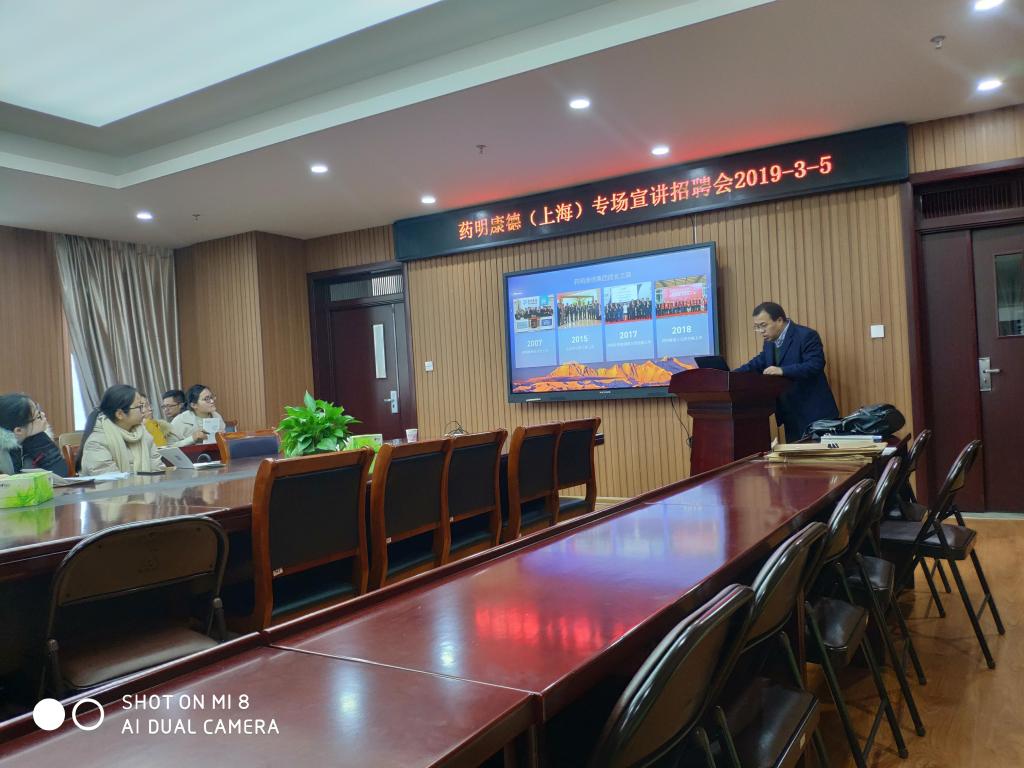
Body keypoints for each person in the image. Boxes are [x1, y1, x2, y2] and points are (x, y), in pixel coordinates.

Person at [734, 301, 840, 441]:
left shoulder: (806, 335)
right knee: (794, 455)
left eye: (763, 325)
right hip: (790, 414)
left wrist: (782, 371)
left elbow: (815, 364)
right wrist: (731, 375)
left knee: (817, 455)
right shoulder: (769, 342)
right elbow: (758, 363)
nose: (761, 331)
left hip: (815, 413)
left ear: (779, 320)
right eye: (757, 327)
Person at [79, 385, 164, 475]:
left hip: (148, 484)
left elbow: (158, 471)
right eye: (139, 407)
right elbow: (109, 480)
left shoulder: (144, 435)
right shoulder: (97, 442)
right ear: (120, 414)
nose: (144, 411)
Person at [0, 393, 69, 476]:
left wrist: (39, 440)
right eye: (38, 416)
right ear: (19, 430)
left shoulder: (38, 438)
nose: (43, 415)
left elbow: (61, 474)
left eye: (39, 410)